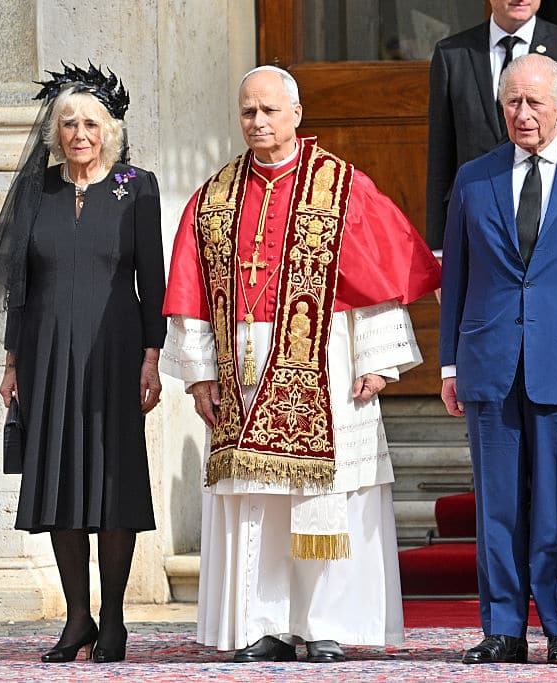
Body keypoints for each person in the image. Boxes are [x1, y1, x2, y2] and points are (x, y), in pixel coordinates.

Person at [161, 65, 440, 664]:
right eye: (248, 112)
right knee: (256, 500)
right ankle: (260, 624)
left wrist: (377, 359)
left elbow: (373, 280)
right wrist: (200, 373)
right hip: (240, 365)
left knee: (324, 495)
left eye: (269, 110)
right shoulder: (213, 198)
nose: (258, 121)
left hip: (328, 360)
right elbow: (191, 291)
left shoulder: (341, 187)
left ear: (296, 114)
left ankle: (322, 623)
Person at [0, 64, 166, 663]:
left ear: (110, 130)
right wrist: (11, 362)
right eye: (69, 123)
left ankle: (114, 619)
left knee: (112, 480)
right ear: (55, 132)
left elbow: (152, 281)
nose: (80, 133)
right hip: (46, 350)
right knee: (60, 480)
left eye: (91, 123)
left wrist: (151, 356)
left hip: (116, 350)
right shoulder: (38, 190)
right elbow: (18, 285)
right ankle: (77, 618)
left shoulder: (138, 186)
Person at [440, 53, 557, 665]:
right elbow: (457, 277)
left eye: (534, 102)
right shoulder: (474, 178)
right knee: (498, 506)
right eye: (512, 103)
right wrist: (449, 365)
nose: (522, 114)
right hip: (489, 362)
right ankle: (502, 628)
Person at [426, 0, 557, 250]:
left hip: (547, 221)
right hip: (473, 221)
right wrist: (437, 247)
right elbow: (440, 155)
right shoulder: (453, 53)